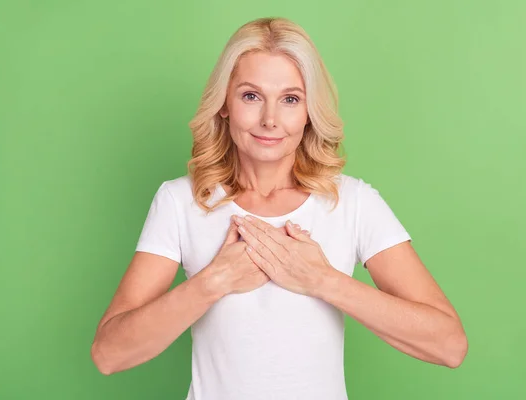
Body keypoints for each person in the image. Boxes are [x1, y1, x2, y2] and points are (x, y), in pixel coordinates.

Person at [90, 17, 468, 400]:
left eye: (290, 99)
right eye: (251, 96)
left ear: (309, 112)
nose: (270, 120)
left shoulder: (351, 203)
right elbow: (108, 354)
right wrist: (213, 281)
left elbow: (449, 345)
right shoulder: (180, 201)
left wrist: (323, 280)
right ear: (224, 104)